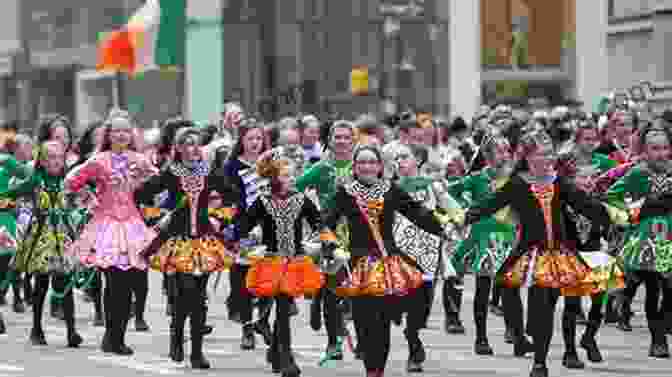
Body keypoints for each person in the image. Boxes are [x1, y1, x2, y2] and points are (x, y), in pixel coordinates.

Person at [322, 144, 448, 377]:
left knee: (382, 322)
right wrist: (330, 245)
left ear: (380, 166)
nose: (367, 167)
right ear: (355, 167)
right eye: (362, 163)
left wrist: (442, 225)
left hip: (388, 264)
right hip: (358, 265)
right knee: (363, 322)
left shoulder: (392, 190)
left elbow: (416, 212)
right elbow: (326, 222)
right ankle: (372, 366)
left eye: (372, 162)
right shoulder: (345, 193)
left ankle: (376, 371)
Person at [136, 127, 239, 369]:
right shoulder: (170, 173)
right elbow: (140, 195)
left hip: (204, 242)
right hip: (178, 242)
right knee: (184, 295)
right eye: (188, 144)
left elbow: (233, 197)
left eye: (197, 144)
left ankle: (197, 352)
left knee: (198, 297)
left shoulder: (210, 173)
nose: (194, 149)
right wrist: (157, 218)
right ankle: (176, 336)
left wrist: (218, 218)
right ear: (179, 148)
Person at [65, 109, 157, 356]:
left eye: (126, 131)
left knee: (127, 284)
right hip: (105, 225)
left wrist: (144, 193)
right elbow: (71, 181)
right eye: (117, 131)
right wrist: (89, 199)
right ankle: (112, 336)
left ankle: (117, 336)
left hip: (132, 226)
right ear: (109, 134)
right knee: (113, 282)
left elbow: (158, 184)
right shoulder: (99, 160)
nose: (122, 135)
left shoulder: (139, 159)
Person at [235, 147, 322, 377]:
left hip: (295, 261)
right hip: (271, 262)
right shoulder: (263, 201)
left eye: (293, 175)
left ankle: (280, 355)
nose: (291, 179)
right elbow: (244, 223)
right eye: (285, 175)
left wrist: (328, 242)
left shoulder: (301, 200)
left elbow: (319, 223)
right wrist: (246, 241)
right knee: (281, 309)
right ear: (273, 177)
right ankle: (284, 356)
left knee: (284, 310)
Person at [3, 141, 82, 347]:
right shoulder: (35, 180)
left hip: (63, 235)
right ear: (42, 161)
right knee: (42, 283)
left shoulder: (68, 180)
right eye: (50, 158)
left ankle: (72, 330)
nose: (55, 161)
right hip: (41, 236)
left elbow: (82, 198)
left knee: (65, 283)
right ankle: (36, 328)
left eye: (59, 157)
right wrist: (7, 202)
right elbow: (13, 193)